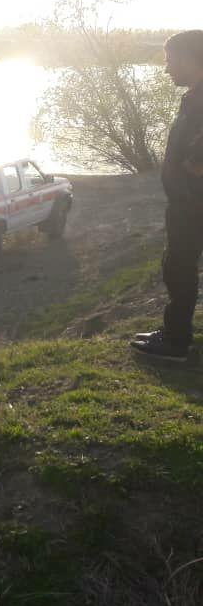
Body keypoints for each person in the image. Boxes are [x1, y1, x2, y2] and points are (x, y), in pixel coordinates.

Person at [131, 30, 203, 362]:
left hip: (193, 203)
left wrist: (195, 166)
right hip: (187, 201)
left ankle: (175, 342)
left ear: (193, 59)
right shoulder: (194, 97)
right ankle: (174, 332)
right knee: (177, 266)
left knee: (180, 268)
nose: (166, 69)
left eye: (170, 60)